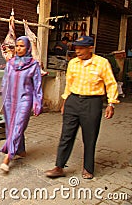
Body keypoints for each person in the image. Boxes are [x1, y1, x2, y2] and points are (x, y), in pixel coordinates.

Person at [45, 35, 119, 180]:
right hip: (73, 100)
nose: (77, 51)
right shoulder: (73, 63)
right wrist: (64, 102)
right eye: (76, 48)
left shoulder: (102, 63)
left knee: (90, 137)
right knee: (66, 135)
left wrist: (111, 103)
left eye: (81, 48)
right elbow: (69, 84)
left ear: (90, 48)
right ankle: (59, 166)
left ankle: (88, 168)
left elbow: (111, 83)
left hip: (92, 103)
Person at [0, 36, 43, 172]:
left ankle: (8, 156)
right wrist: (2, 93)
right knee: (12, 126)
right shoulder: (10, 63)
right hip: (9, 100)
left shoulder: (34, 65)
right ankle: (21, 150)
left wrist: (38, 102)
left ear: (28, 47)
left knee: (18, 125)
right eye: (17, 46)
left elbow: (38, 86)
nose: (18, 48)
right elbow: (5, 80)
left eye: (22, 46)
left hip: (25, 99)